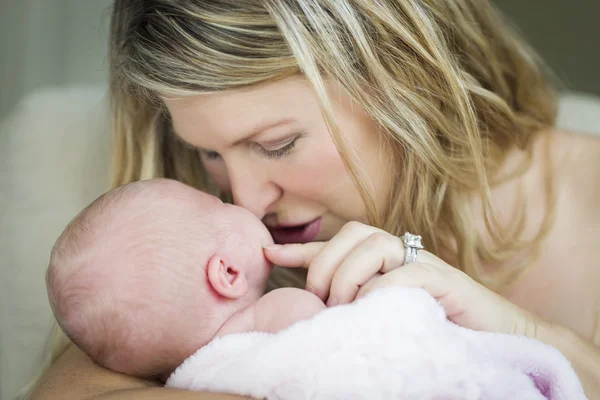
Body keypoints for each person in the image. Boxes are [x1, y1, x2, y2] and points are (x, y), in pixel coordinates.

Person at [31, 0, 600, 399]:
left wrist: (524, 335)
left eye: (278, 144)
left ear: (402, 76)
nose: (247, 201)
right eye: (208, 153)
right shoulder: (194, 239)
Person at [46, 178, 325, 382]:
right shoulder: (283, 311)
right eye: (222, 205)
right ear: (228, 274)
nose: (242, 202)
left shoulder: (189, 379)